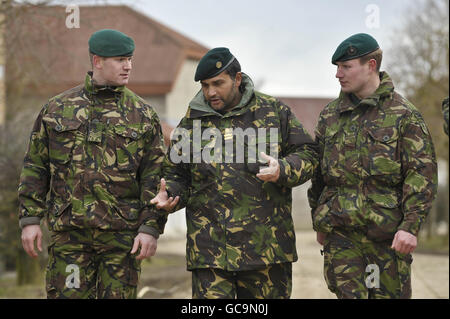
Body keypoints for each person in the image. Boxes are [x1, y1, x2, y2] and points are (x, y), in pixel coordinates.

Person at [151, 47, 319, 299]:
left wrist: (283, 169)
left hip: (266, 253)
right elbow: (177, 174)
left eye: (218, 83)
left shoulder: (273, 112)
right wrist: (171, 194)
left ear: (237, 79)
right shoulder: (192, 121)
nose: (210, 92)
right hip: (210, 255)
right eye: (205, 85)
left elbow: (309, 152)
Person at [18, 29, 166, 299]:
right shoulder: (56, 109)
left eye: (130, 59)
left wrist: (151, 228)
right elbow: (35, 166)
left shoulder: (143, 115)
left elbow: (154, 178)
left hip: (122, 240)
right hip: (70, 236)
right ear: (97, 61)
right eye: (120, 60)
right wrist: (30, 219)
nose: (128, 66)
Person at [308, 33, 438, 299]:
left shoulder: (404, 115)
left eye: (346, 67)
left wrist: (410, 226)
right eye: (337, 68)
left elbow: (421, 174)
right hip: (341, 236)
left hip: (386, 238)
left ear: (371, 65)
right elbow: (319, 175)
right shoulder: (330, 116)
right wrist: (318, 219)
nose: (338, 74)